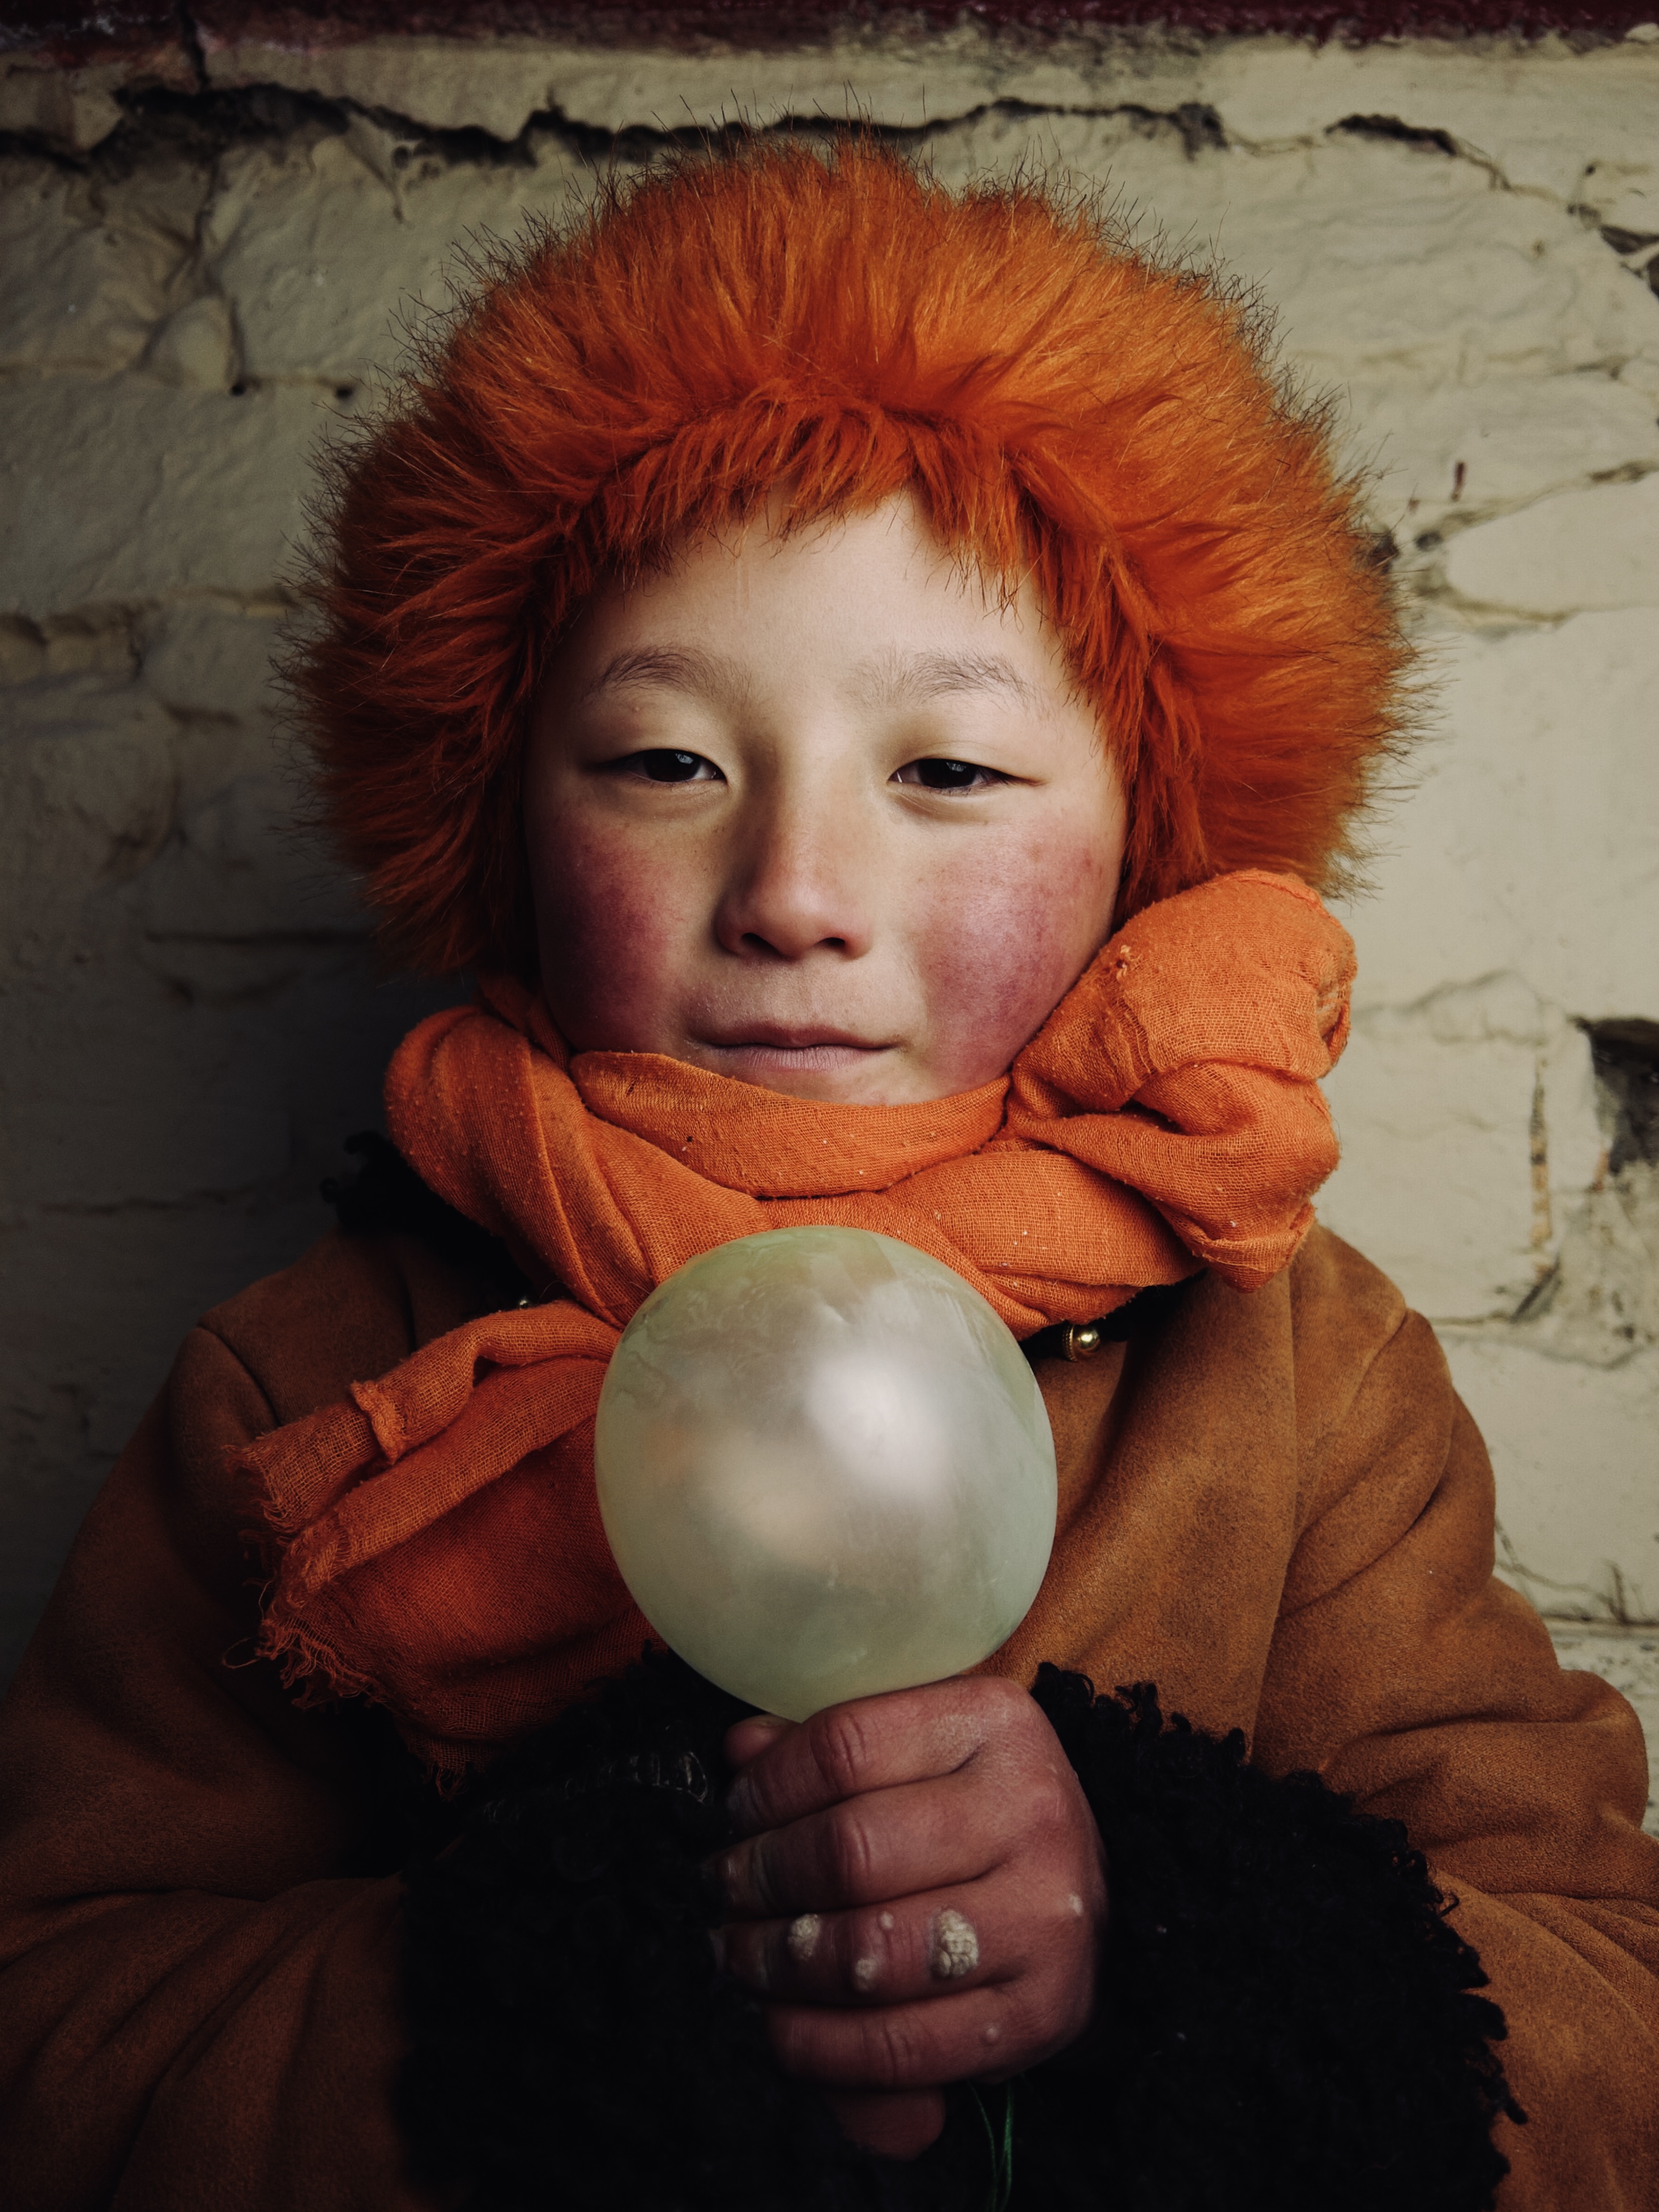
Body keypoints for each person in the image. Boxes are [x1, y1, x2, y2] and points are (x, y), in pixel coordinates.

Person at [1, 142, 1654, 2212]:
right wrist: (564, 1975)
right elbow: (55, 2028)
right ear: (498, 820)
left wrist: (1162, 1924)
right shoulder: (315, 1391)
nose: (790, 893)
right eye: (665, 763)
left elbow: (1606, 1986)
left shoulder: (1300, 1375)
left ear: (1144, 843)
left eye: (947, 772)